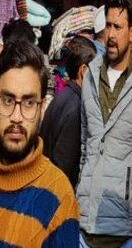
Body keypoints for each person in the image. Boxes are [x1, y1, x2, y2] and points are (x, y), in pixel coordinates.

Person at [76, 0, 132, 247]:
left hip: (123, 227)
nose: (110, 35)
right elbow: (86, 146)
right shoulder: (89, 76)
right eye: (107, 25)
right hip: (85, 223)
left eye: (117, 27)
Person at [0, 42, 79, 246]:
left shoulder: (59, 197)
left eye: (28, 103)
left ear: (41, 108)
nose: (16, 117)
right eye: (7, 101)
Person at [40, 36, 96, 188]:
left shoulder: (62, 96)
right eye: (96, 69)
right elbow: (62, 167)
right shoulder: (77, 108)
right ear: (84, 71)